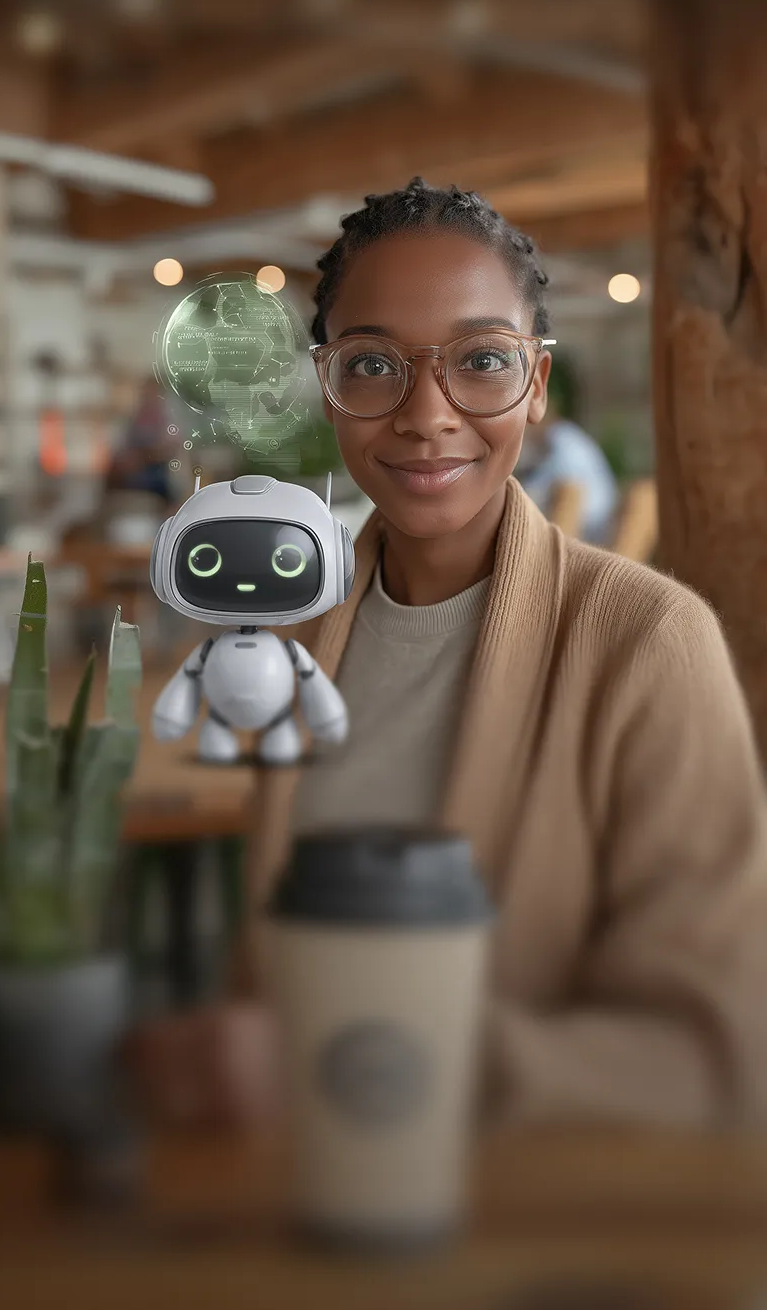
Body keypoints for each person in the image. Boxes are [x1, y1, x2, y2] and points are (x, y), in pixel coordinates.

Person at [138, 179, 767, 1132]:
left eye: (480, 360)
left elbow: (716, 1060)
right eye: (372, 365)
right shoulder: (298, 630)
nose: (427, 414)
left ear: (538, 385)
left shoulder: (647, 642)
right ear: (329, 386)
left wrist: (342, 1068)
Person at [515, 398, 619, 544]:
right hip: (593, 521)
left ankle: (555, 562)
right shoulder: (549, 445)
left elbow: (563, 481)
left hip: (591, 523)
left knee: (567, 493)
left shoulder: (562, 438)